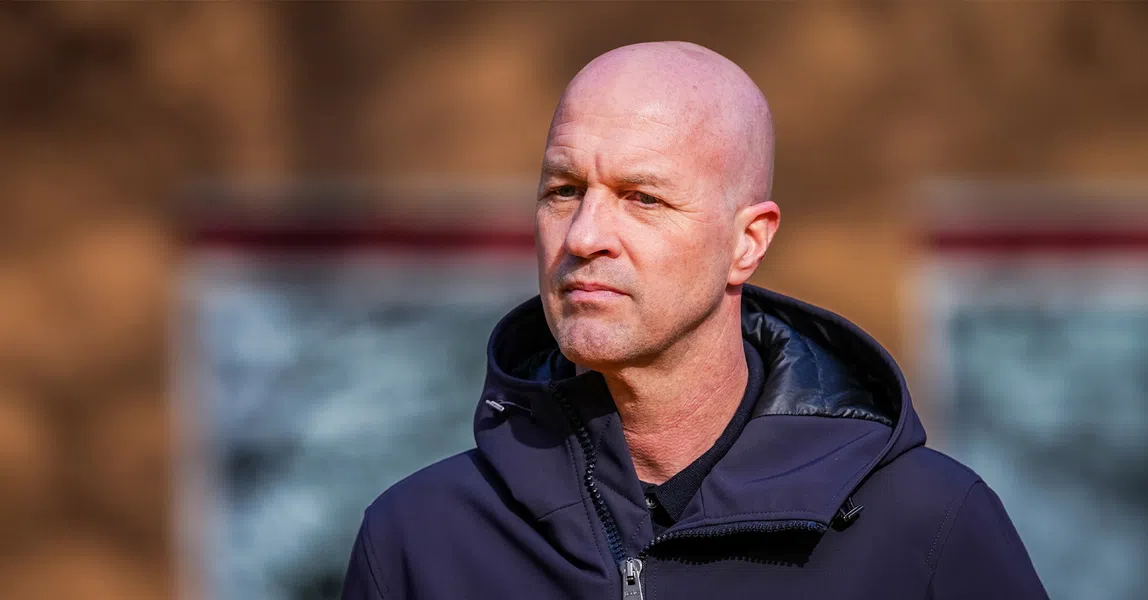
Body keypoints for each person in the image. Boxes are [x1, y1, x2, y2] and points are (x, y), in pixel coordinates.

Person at [341, 41, 1048, 600]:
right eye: (564, 190)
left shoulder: (926, 527)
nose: (584, 236)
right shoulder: (420, 539)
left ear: (747, 243)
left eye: (642, 198)